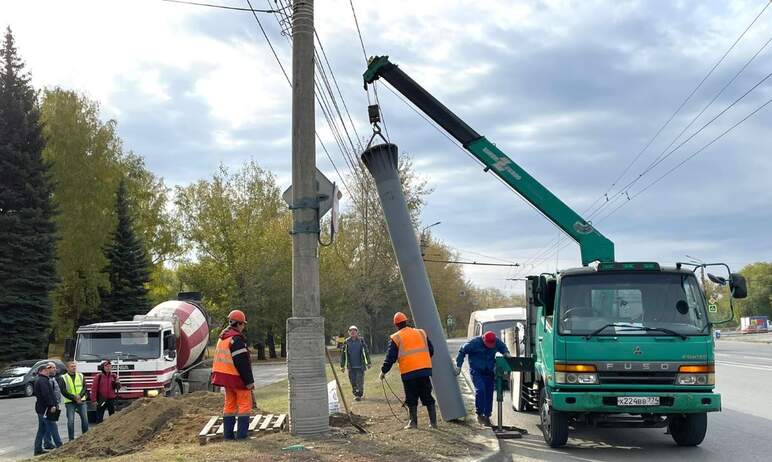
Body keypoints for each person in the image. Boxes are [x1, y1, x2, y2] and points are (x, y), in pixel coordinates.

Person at [379, 312, 438, 429]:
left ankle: (413, 423)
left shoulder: (396, 337)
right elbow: (431, 350)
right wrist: (422, 360)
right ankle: (433, 423)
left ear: (396, 325)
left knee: (411, 397)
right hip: (424, 370)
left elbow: (390, 358)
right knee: (427, 395)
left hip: (409, 372)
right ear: (406, 321)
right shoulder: (421, 332)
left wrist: (383, 371)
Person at [211, 309, 255, 440]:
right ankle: (242, 436)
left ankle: (228, 436)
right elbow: (242, 363)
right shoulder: (236, 340)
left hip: (225, 378)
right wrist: (249, 382)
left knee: (229, 404)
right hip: (237, 378)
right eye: (243, 324)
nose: (243, 327)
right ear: (239, 324)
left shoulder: (223, 337)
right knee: (244, 404)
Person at [455, 330, 509, 426]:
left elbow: (503, 347)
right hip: (477, 371)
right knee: (480, 390)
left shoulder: (496, 341)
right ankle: (480, 414)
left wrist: (506, 353)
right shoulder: (474, 343)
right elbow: (462, 351)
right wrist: (458, 366)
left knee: (489, 394)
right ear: (483, 339)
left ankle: (487, 416)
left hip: (489, 372)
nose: (490, 346)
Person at [33, 362, 62, 456]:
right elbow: (46, 394)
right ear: (41, 371)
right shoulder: (42, 381)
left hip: (42, 408)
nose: (48, 371)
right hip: (45, 409)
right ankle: (60, 446)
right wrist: (52, 405)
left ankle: (37, 449)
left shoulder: (44, 379)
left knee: (42, 429)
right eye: (46, 370)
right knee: (53, 427)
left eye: (48, 369)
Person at [57, 360, 89, 441]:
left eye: (74, 366)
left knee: (85, 420)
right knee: (71, 421)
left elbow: (85, 387)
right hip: (70, 402)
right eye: (72, 366)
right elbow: (63, 391)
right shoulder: (63, 378)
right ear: (67, 368)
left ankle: (85, 437)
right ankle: (71, 439)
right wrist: (74, 397)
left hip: (81, 401)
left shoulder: (81, 376)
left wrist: (79, 396)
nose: (74, 367)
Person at [339, 325, 371, 401]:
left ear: (357, 332)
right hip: (351, 367)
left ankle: (359, 395)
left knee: (359, 381)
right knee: (353, 382)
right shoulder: (346, 342)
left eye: (354, 330)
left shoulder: (361, 341)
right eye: (351, 331)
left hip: (360, 366)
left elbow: (366, 352)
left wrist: (368, 362)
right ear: (349, 332)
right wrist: (342, 366)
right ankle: (356, 393)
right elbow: (343, 355)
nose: (353, 332)